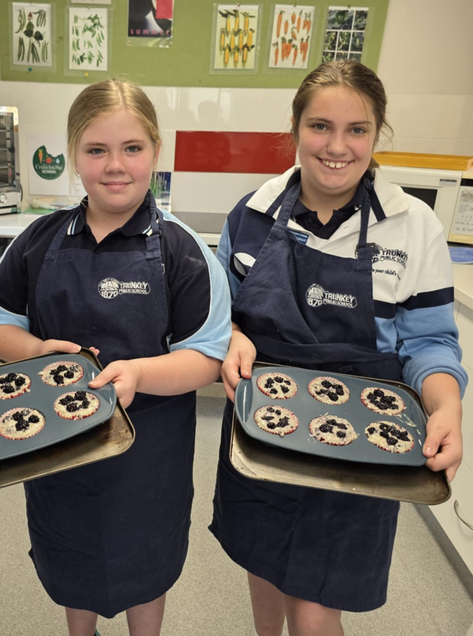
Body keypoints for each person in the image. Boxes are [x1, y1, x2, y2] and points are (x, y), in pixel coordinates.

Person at [209, 60, 466, 636]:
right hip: (263, 428)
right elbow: (219, 317)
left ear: (377, 135)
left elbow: (428, 340)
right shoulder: (251, 215)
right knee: (265, 563)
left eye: (358, 130)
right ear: (296, 127)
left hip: (363, 442)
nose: (337, 146)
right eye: (320, 126)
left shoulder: (412, 226)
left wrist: (446, 406)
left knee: (316, 603)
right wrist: (232, 337)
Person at [0, 79, 231, 636]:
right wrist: (35, 351)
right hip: (58, 448)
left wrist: (140, 374)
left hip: (150, 454)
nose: (115, 165)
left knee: (146, 559)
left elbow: (207, 357)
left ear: (155, 154)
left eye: (132, 149)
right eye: (96, 150)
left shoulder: (183, 250)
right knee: (70, 553)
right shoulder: (37, 240)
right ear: (74, 156)